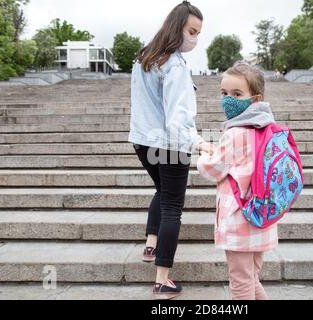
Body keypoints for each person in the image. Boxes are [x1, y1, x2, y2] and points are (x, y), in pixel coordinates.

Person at [128, 1, 215, 300]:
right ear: (176, 26)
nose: (194, 38)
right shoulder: (174, 65)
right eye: (192, 31)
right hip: (171, 145)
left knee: (162, 192)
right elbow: (177, 118)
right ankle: (162, 280)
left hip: (143, 141)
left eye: (198, 33)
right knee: (172, 208)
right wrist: (199, 142)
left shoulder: (145, 57)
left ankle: (151, 245)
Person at [197, 62, 279, 300]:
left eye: (236, 94)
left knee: (240, 284)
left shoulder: (235, 133)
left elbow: (212, 170)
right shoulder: (268, 129)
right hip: (261, 218)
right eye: (224, 93)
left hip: (239, 220)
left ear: (255, 98)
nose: (228, 100)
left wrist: (203, 156)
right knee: (251, 279)